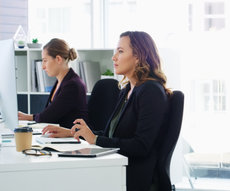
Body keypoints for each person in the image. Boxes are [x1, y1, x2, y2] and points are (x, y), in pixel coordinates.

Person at [42, 31, 171, 191]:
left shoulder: (151, 91)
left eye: (120, 51)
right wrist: (72, 132)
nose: (114, 57)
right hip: (118, 166)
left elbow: (141, 146)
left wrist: (95, 139)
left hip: (135, 175)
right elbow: (112, 134)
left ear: (139, 56)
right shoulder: (127, 90)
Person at [18, 38, 88, 129]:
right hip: (59, 135)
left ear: (58, 59)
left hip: (72, 139)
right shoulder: (61, 81)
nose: (43, 67)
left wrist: (27, 117)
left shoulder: (73, 85)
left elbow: (47, 117)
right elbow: (48, 114)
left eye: (45, 60)